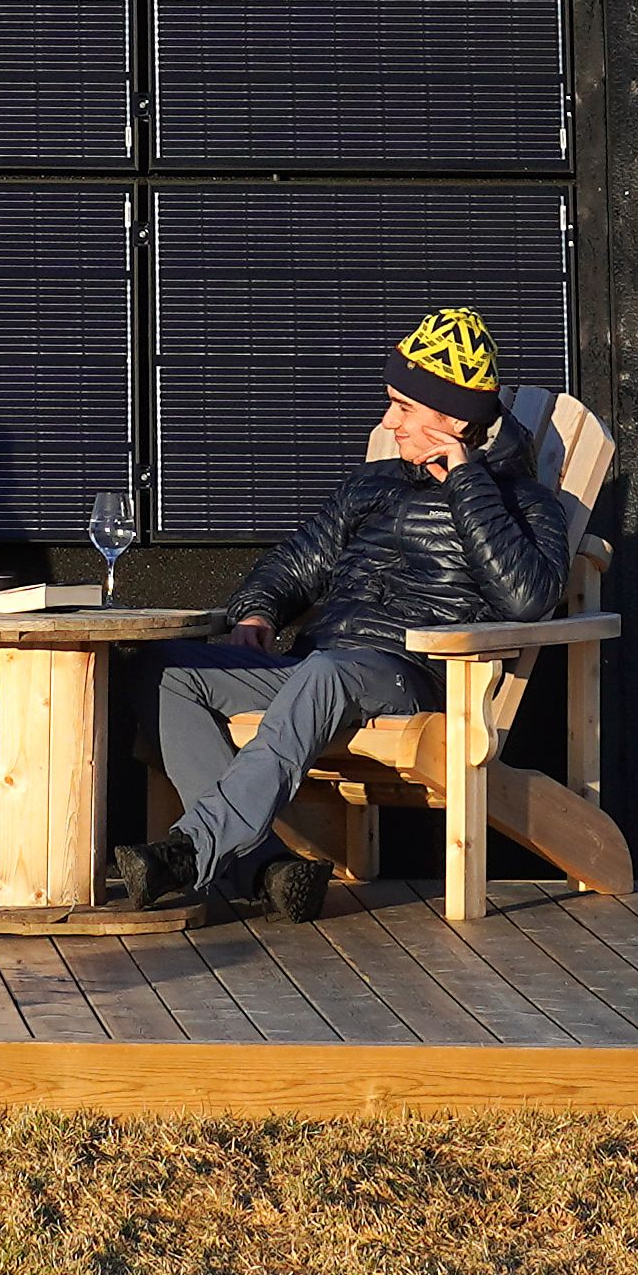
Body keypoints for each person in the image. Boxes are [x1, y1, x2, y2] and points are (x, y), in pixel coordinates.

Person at [116, 303, 576, 923]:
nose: (390, 422)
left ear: (454, 421)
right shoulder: (374, 484)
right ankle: (264, 868)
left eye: (404, 407)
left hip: (412, 676)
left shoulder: (526, 504)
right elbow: (298, 561)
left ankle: (192, 849)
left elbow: (528, 599)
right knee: (163, 670)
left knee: (326, 671)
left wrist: (467, 482)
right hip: (319, 668)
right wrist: (257, 614)